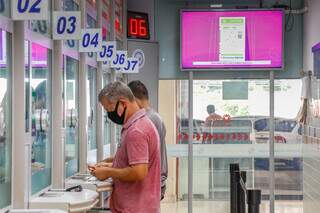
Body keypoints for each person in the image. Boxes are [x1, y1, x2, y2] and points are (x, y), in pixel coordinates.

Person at [89, 81, 161, 213]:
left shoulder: (137, 131)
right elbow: (131, 161)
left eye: (109, 110)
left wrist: (107, 172)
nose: (110, 115)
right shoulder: (136, 125)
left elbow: (139, 172)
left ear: (122, 103)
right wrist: (108, 166)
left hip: (136, 208)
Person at [127, 80, 168, 200]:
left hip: (152, 183)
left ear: (134, 99)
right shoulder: (153, 116)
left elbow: (142, 157)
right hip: (153, 182)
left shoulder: (149, 119)